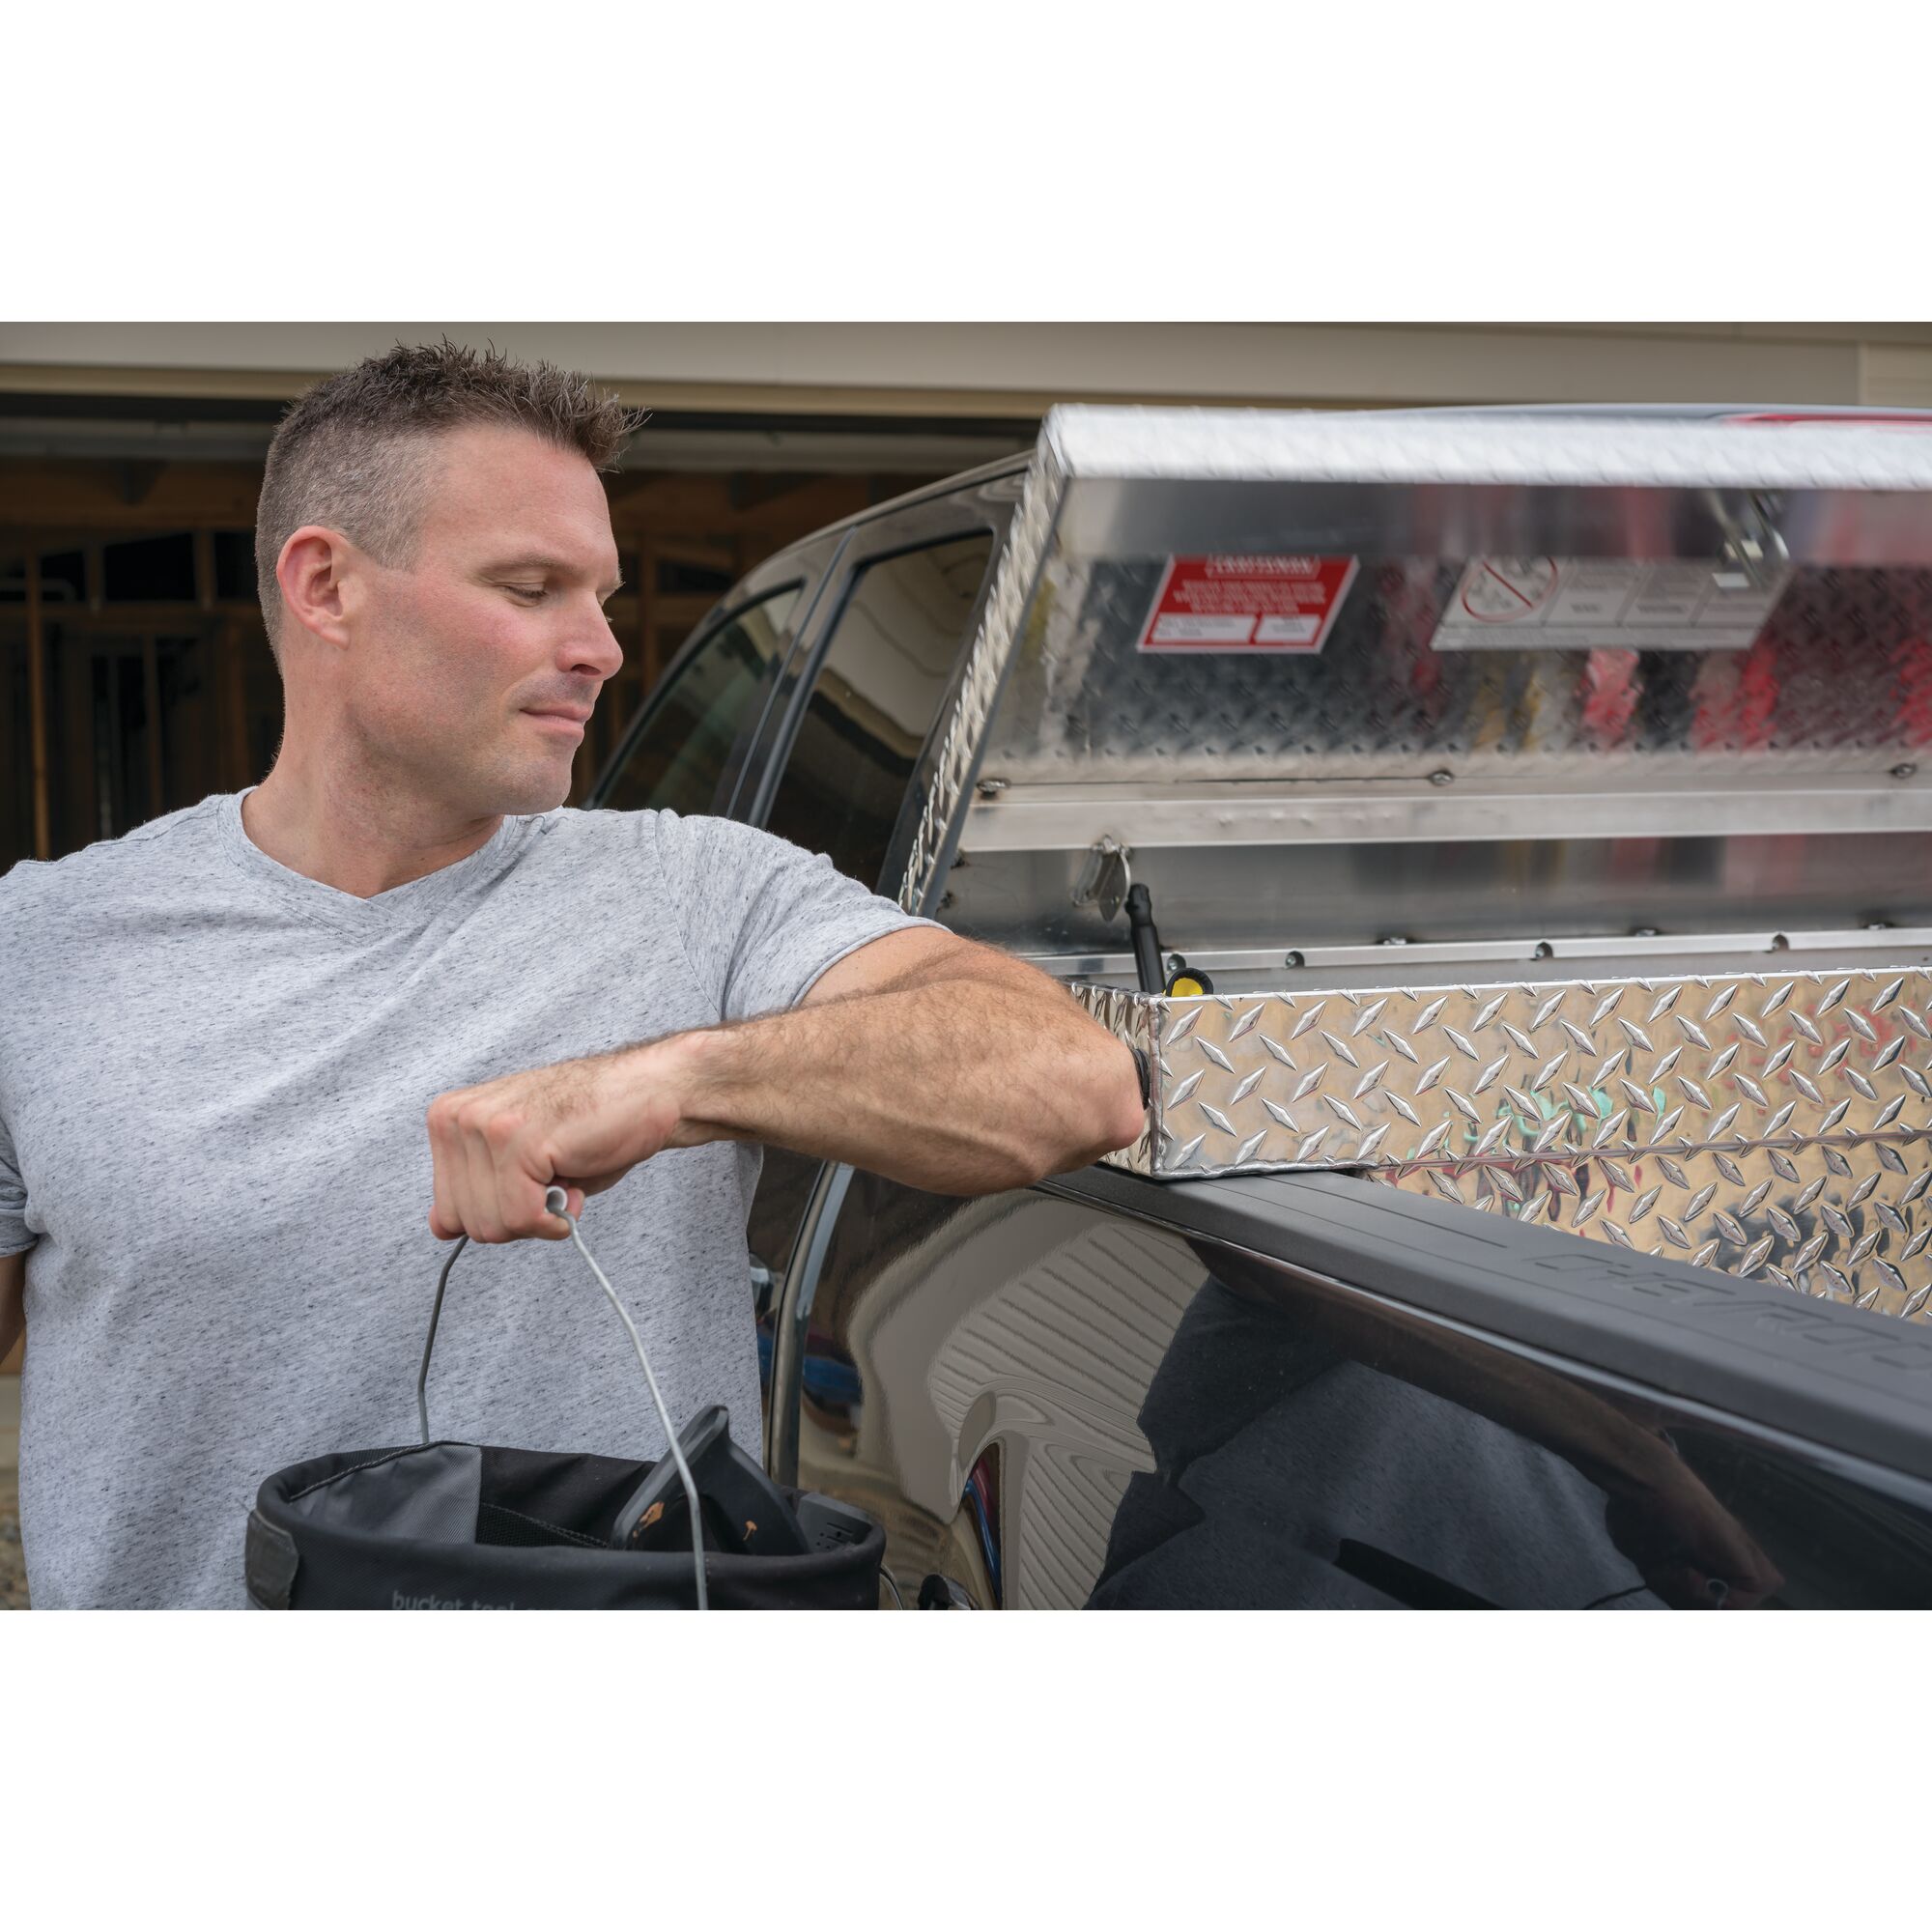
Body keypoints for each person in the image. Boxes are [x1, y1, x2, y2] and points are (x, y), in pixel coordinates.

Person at [0, 341, 1146, 1609]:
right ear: (326, 586)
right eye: (533, 587)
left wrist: (676, 1083)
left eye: (600, 596)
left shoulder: (706, 894)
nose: (600, 647)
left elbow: (1073, 1084)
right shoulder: (40, 945)